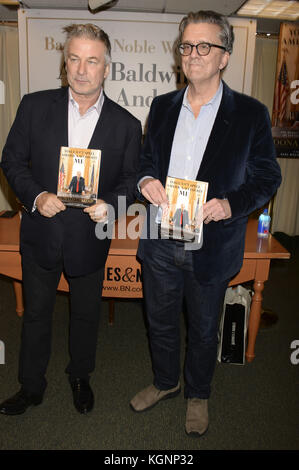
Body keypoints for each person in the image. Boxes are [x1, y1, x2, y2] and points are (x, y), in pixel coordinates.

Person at [130, 10, 281, 436]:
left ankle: (198, 393)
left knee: (202, 328)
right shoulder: (161, 107)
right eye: (186, 46)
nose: (193, 55)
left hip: (211, 243)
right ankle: (165, 382)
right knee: (157, 319)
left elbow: (267, 176)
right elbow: (145, 163)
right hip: (160, 237)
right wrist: (146, 181)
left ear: (224, 56)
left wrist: (230, 205)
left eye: (204, 46)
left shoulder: (251, 114)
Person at [0, 23, 141, 415]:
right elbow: (11, 160)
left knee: (85, 316)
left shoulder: (127, 125)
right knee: (36, 316)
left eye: (92, 61)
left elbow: (132, 180)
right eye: (74, 59)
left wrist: (112, 204)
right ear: (65, 63)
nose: (81, 69)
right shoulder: (33, 105)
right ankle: (30, 386)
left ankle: (81, 377)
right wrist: (36, 195)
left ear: (106, 68)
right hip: (41, 232)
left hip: (89, 237)